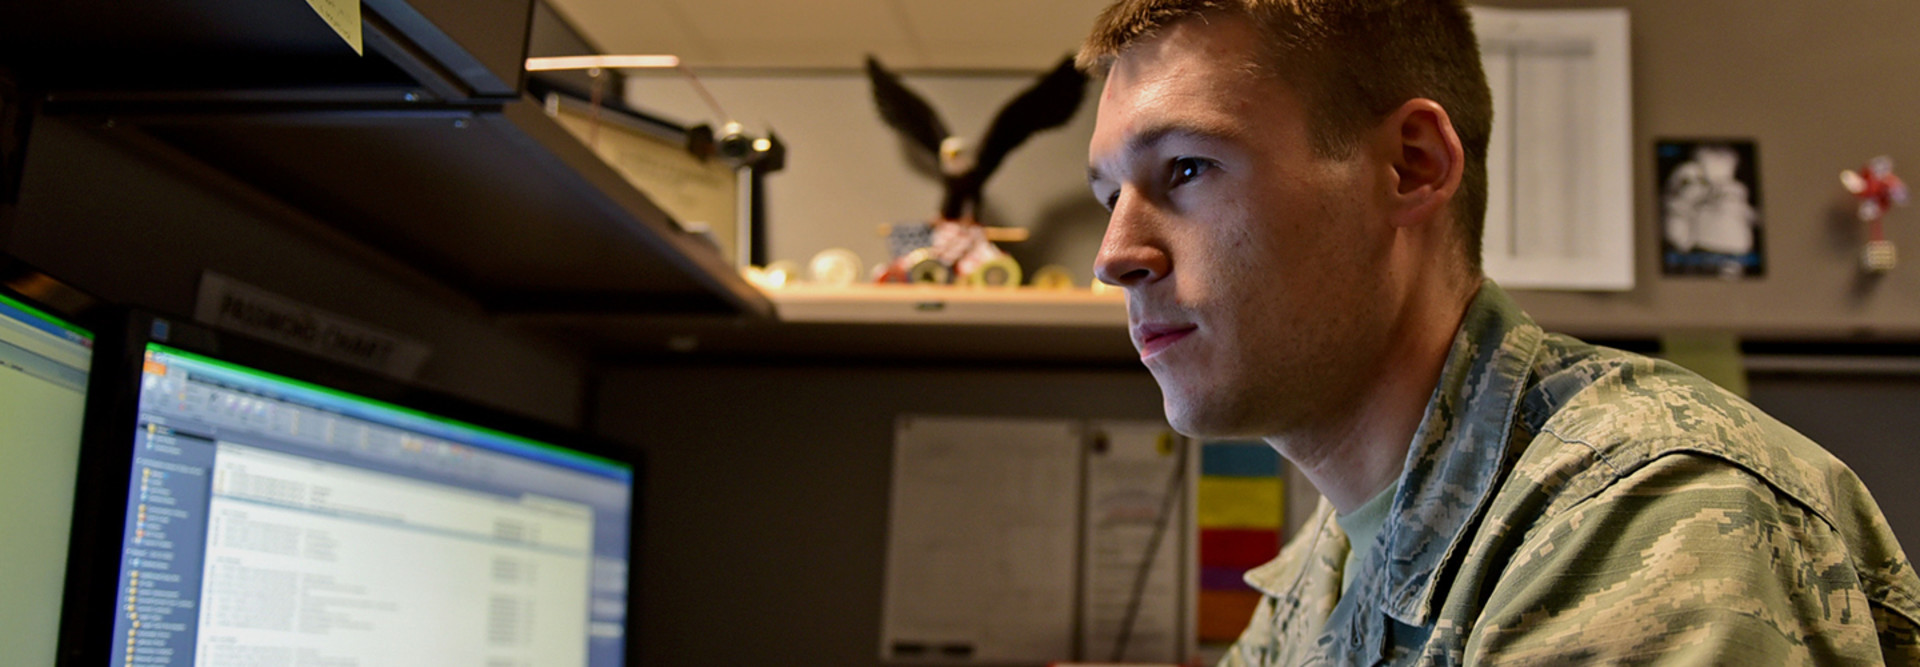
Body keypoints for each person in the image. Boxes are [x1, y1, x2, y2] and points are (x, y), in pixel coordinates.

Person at [1076, 0, 1920, 664]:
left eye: (1186, 168)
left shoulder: (1650, 515)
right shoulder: (1320, 573)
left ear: (1412, 164)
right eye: (1110, 197)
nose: (1116, 255)